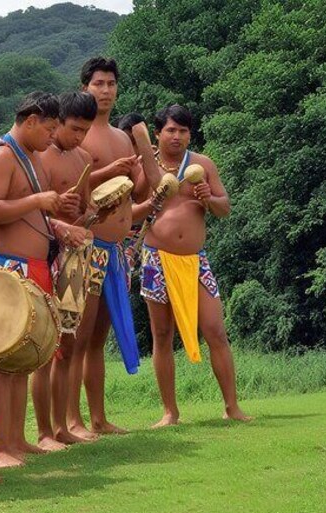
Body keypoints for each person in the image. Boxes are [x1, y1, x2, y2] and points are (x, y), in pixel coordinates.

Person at [0, 91, 89, 466]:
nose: (51, 137)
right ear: (30, 121)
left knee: (24, 361)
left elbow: (35, 213)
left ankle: (16, 439)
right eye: (49, 128)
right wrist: (39, 202)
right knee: (5, 359)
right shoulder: (1, 155)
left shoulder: (30, 157)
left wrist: (57, 221)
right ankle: (0, 449)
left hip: (37, 264)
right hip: (12, 266)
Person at [131, 104, 252, 427]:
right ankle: (170, 412)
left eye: (183, 131)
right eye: (171, 130)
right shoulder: (146, 165)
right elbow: (130, 211)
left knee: (215, 330)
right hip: (157, 256)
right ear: (158, 134)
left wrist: (207, 197)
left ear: (190, 134)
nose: (177, 136)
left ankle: (232, 406)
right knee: (161, 333)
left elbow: (224, 209)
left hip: (196, 260)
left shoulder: (202, 164)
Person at [68, 57, 149, 439]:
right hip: (87, 243)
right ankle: (72, 419)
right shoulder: (78, 134)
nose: (105, 90)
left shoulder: (121, 136)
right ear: (85, 87)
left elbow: (140, 191)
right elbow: (72, 183)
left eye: (111, 83)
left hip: (117, 248)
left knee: (99, 337)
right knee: (78, 336)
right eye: (98, 83)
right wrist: (109, 171)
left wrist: (136, 168)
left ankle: (98, 417)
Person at [35, 91, 99, 445]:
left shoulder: (84, 158)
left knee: (70, 344)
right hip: (45, 252)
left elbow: (86, 212)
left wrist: (94, 210)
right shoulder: (39, 156)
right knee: (46, 346)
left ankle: (62, 426)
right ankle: (44, 431)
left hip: (75, 256)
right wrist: (56, 209)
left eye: (84, 131)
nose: (78, 137)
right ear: (58, 122)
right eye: (74, 129)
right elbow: (32, 211)